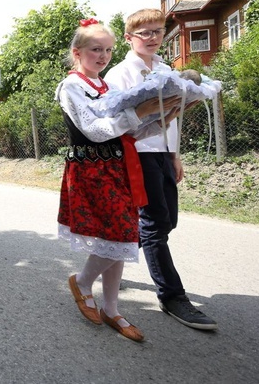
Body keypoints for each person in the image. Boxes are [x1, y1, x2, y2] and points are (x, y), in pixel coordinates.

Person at [56, 18, 182, 342]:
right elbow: (94, 130)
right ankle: (83, 283)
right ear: (77, 52)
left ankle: (111, 308)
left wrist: (162, 118)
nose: (103, 56)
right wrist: (141, 113)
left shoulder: (108, 87)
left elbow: (130, 130)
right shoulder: (71, 86)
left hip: (119, 166)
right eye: (96, 49)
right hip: (92, 169)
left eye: (108, 50)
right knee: (123, 235)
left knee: (121, 238)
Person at [104, 8, 218, 331]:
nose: (153, 37)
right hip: (138, 154)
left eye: (158, 31)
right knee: (155, 223)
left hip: (164, 154)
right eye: (145, 33)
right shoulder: (120, 74)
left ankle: (106, 258)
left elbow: (174, 115)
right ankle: (172, 296)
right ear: (129, 38)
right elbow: (120, 118)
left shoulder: (168, 70)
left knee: (168, 221)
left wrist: (175, 154)